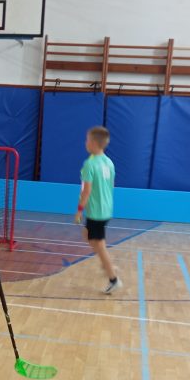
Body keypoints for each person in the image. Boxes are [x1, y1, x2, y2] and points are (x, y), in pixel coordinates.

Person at [73, 126, 121, 294]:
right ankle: (105, 262)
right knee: (87, 234)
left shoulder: (90, 164)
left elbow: (86, 191)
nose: (85, 143)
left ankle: (113, 278)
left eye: (87, 140)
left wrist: (79, 210)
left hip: (96, 212)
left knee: (99, 244)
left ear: (93, 143)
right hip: (106, 209)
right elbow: (111, 185)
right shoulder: (109, 162)